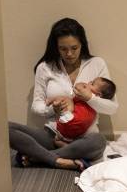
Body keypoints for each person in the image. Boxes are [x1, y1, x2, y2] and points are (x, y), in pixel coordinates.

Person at [9, 18, 118, 170]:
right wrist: (53, 110)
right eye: (63, 49)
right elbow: (37, 105)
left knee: (98, 142)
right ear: (55, 47)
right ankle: (62, 161)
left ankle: (38, 157)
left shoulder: (97, 64)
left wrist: (89, 98)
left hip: (86, 137)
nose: (69, 53)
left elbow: (112, 108)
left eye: (74, 48)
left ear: (82, 45)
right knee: (5, 128)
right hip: (54, 134)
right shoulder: (45, 67)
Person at [47, 77, 117, 146]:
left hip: (73, 122)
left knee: (67, 100)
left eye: (92, 83)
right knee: (66, 100)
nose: (89, 83)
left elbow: (77, 87)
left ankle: (63, 112)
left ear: (98, 95)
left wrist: (88, 94)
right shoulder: (91, 103)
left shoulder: (92, 98)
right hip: (72, 129)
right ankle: (67, 147)